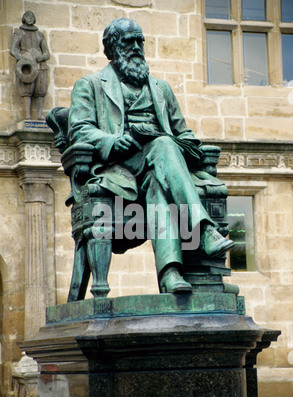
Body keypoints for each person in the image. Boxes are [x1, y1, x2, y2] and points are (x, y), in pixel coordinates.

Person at [68, 17, 234, 294]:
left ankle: (170, 273)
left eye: (139, 41)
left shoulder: (161, 88)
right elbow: (80, 130)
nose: (136, 47)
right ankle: (204, 231)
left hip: (158, 169)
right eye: (128, 41)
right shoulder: (90, 85)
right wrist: (113, 141)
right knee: (162, 147)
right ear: (112, 49)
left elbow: (184, 134)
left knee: (159, 172)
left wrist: (186, 145)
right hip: (118, 167)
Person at [10, 10, 50, 120]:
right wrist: (22, 58)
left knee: (40, 89)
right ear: (24, 19)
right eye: (28, 16)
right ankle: (27, 115)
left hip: (39, 65)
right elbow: (13, 50)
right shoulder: (19, 32)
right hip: (26, 65)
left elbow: (47, 53)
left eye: (32, 16)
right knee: (26, 90)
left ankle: (40, 114)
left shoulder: (39, 34)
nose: (30, 18)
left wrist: (41, 57)